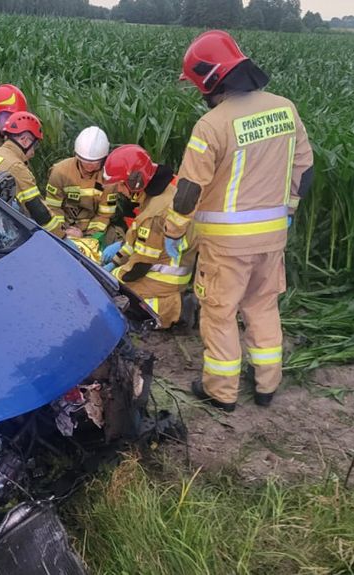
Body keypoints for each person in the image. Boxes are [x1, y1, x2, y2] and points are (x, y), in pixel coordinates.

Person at [166, 30, 314, 411]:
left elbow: (187, 191)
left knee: (219, 313)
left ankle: (221, 392)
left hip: (226, 244)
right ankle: (267, 385)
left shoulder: (212, 125)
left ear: (210, 79)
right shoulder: (286, 109)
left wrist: (173, 232)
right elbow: (305, 169)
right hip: (273, 236)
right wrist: (290, 210)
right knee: (263, 306)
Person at [100, 145, 192, 329]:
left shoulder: (154, 214)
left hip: (166, 276)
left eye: (120, 184)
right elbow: (136, 244)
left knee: (119, 298)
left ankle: (179, 308)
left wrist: (111, 276)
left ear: (135, 181)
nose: (118, 190)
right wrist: (117, 258)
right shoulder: (157, 193)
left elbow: (138, 267)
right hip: (168, 262)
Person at [0, 111, 59, 232]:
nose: (33, 153)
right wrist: (63, 238)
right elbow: (38, 211)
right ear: (24, 140)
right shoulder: (16, 167)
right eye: (35, 145)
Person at [43, 126, 116, 242]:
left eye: (95, 162)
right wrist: (62, 231)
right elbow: (53, 207)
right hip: (64, 227)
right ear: (77, 155)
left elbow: (104, 215)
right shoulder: (60, 172)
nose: (90, 166)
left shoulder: (108, 179)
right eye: (85, 161)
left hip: (92, 229)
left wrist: (88, 237)